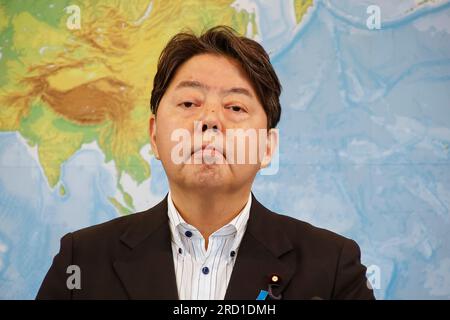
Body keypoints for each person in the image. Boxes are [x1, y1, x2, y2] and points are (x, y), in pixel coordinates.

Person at [36, 25, 374, 300]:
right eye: (188, 103)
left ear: (267, 147)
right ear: (154, 135)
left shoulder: (330, 269)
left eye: (235, 107)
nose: (210, 120)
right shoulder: (81, 261)